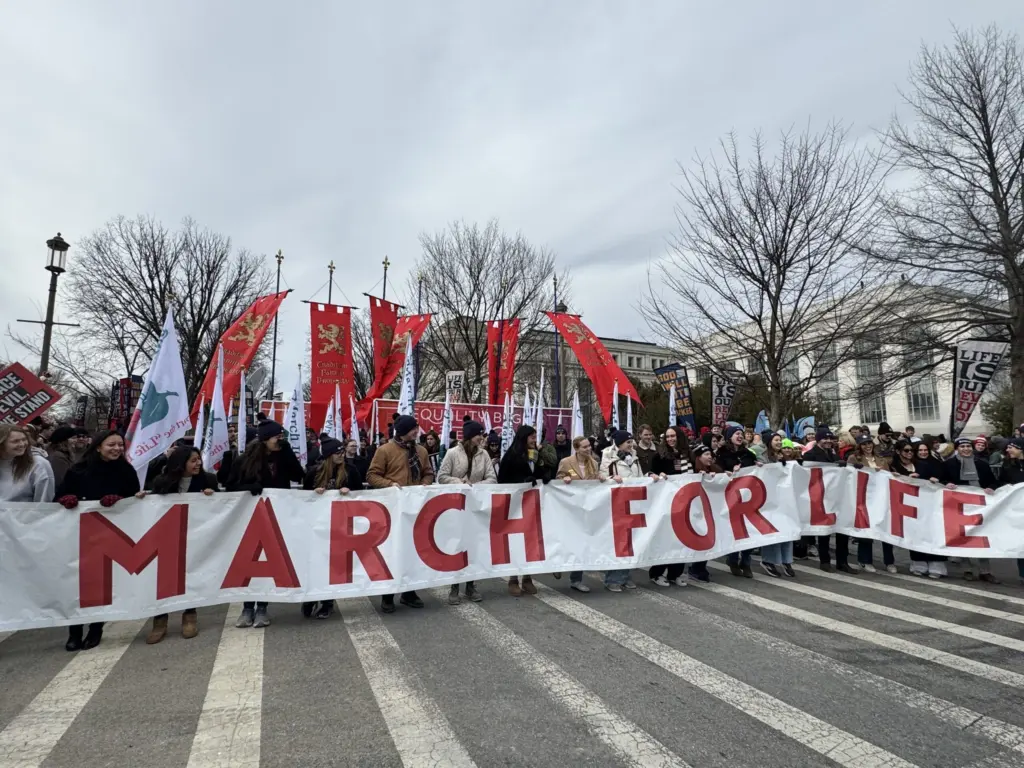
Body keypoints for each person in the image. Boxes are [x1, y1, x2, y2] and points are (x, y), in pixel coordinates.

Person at [57, 431, 146, 651]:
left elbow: (134, 500)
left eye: (119, 445)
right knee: (77, 585)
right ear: (98, 447)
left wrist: (120, 502)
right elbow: (59, 497)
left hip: (110, 535)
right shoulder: (77, 470)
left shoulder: (125, 470)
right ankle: (74, 631)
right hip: (80, 535)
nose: (117, 449)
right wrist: (67, 500)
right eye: (111, 445)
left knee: (102, 584)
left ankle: (96, 629)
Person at [227, 419, 305, 628]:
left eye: (281, 436)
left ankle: (262, 607)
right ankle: (247, 608)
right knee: (250, 562)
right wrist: (248, 486)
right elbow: (230, 486)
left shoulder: (283, 455)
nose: (280, 439)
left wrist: (287, 454)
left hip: (276, 516)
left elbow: (299, 476)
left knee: (269, 562)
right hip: (251, 518)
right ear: (264, 439)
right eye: (276, 436)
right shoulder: (245, 460)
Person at [146, 446, 217, 643]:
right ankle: (160, 620)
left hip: (195, 537)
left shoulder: (208, 480)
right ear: (180, 463)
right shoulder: (161, 482)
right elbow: (152, 508)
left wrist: (212, 497)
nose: (199, 464)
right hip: (167, 538)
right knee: (163, 580)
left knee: (190, 575)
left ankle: (190, 616)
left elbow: (219, 509)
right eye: (193, 460)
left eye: (199, 460)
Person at [367, 414, 433, 613]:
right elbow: (371, 475)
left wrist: (425, 484)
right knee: (392, 552)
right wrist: (390, 484)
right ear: (404, 431)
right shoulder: (385, 450)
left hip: (414, 509)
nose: (417, 431)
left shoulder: (421, 451)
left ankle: (409, 592)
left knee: (413, 551)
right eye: (414, 428)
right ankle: (388, 595)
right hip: (393, 509)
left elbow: (428, 473)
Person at [437, 420, 495, 603]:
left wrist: (475, 486)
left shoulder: (484, 454)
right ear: (470, 435)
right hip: (456, 506)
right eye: (479, 434)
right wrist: (460, 483)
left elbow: (492, 479)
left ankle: (471, 585)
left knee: (473, 546)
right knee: (457, 546)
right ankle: (454, 586)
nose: (481, 438)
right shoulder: (452, 453)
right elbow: (442, 477)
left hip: (475, 506)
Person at [943, 438, 999, 583]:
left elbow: (993, 481)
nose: (966, 449)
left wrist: (991, 487)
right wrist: (946, 483)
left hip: (979, 506)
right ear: (957, 448)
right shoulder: (949, 464)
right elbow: (942, 479)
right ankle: (967, 569)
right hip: (959, 505)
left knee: (981, 536)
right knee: (963, 537)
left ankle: (985, 571)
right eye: (963, 446)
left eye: (968, 446)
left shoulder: (982, 464)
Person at [803, 431, 857, 574]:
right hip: (821, 497)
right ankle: (825, 561)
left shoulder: (833, 454)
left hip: (836, 497)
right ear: (818, 440)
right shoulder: (810, 455)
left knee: (842, 529)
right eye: (825, 438)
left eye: (829, 438)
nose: (828, 441)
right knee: (824, 531)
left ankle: (842, 562)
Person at [498, 424, 542, 596]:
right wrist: (522, 480)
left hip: (531, 505)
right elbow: (502, 480)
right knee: (516, 542)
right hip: (515, 506)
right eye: (532, 437)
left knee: (531, 540)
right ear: (524, 438)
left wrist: (542, 474)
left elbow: (540, 471)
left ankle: (527, 577)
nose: (534, 440)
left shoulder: (535, 454)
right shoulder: (511, 456)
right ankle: (513, 578)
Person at [598, 430, 643, 592]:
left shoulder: (635, 458)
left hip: (633, 503)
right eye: (627, 442)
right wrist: (612, 480)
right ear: (619, 443)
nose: (631, 445)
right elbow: (602, 478)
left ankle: (626, 576)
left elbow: (640, 477)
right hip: (616, 505)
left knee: (631, 542)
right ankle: (612, 579)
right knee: (618, 543)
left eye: (631, 442)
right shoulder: (609, 458)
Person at [649, 426, 693, 586]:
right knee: (666, 539)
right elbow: (650, 473)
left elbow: (697, 470)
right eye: (667, 437)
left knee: (682, 539)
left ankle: (676, 573)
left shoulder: (688, 454)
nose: (670, 439)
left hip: (686, 502)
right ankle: (657, 573)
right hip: (667, 503)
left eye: (673, 436)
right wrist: (657, 475)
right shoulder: (659, 455)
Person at [846, 436, 895, 573]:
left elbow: (889, 476)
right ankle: (865, 560)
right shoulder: (854, 458)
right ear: (859, 446)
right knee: (866, 531)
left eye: (869, 443)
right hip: (864, 498)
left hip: (880, 498)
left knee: (885, 530)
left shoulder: (881, 459)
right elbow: (849, 475)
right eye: (864, 444)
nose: (867, 446)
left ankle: (889, 561)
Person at [716, 426, 757, 577]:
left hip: (748, 497)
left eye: (741, 434)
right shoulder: (722, 454)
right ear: (729, 437)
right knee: (735, 530)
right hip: (731, 497)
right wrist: (727, 471)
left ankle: (746, 562)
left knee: (750, 531)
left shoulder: (748, 453)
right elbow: (716, 470)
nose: (739, 436)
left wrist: (758, 465)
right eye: (736, 434)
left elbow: (755, 468)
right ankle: (733, 559)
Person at [0, 424, 55, 502]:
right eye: (15, 441)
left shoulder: (38, 464)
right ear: (1, 444)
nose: (22, 444)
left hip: (23, 513)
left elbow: (43, 502)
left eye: (24, 439)